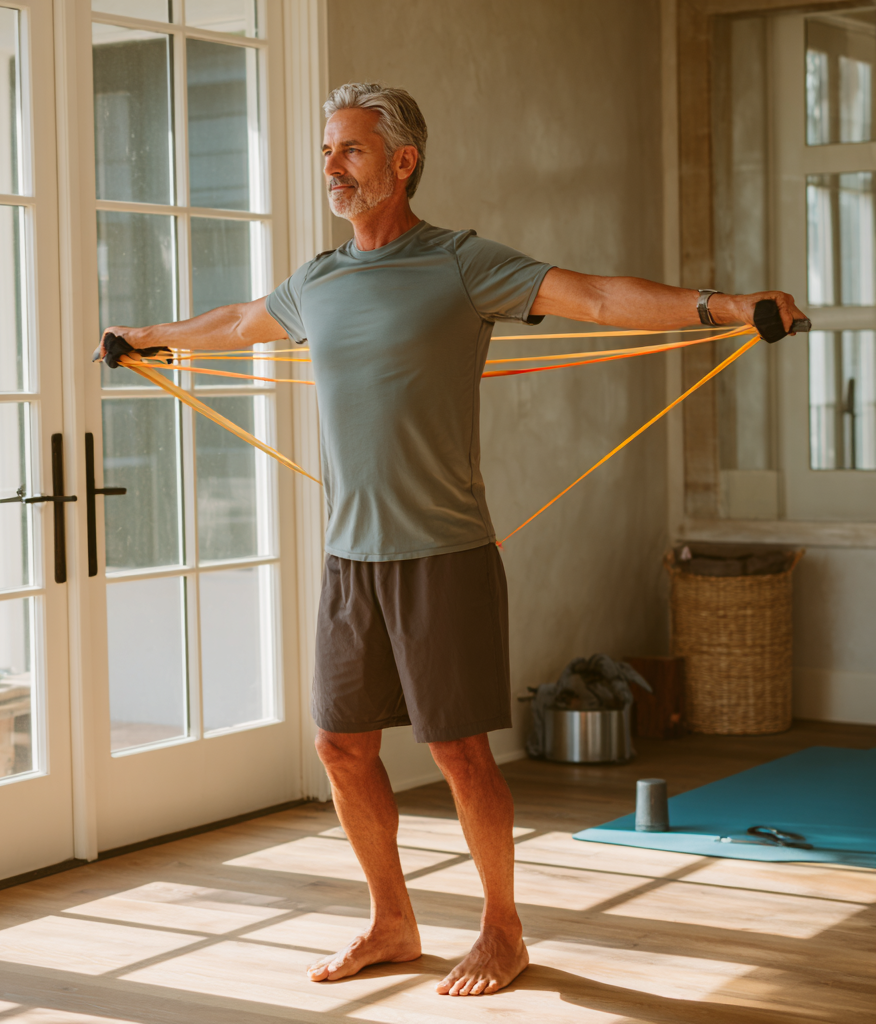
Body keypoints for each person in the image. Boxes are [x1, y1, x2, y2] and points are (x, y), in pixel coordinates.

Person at [97, 83, 805, 997]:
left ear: (403, 162)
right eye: (326, 151)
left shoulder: (462, 265)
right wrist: (143, 336)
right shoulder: (317, 281)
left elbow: (590, 295)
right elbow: (237, 323)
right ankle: (392, 920)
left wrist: (726, 305)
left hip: (444, 551)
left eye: (351, 151)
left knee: (458, 753)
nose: (331, 168)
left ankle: (503, 931)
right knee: (341, 747)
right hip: (352, 558)